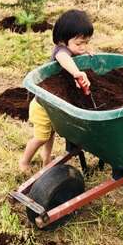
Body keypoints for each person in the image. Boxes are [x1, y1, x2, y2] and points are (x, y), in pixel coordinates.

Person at [19, 9, 94, 173]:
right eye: (79, 44)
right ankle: (24, 162)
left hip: (54, 105)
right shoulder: (61, 51)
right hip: (42, 106)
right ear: (62, 41)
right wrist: (77, 72)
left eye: (86, 42)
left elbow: (76, 53)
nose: (83, 47)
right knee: (41, 137)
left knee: (50, 134)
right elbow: (64, 58)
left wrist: (85, 52)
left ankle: (46, 160)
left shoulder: (73, 49)